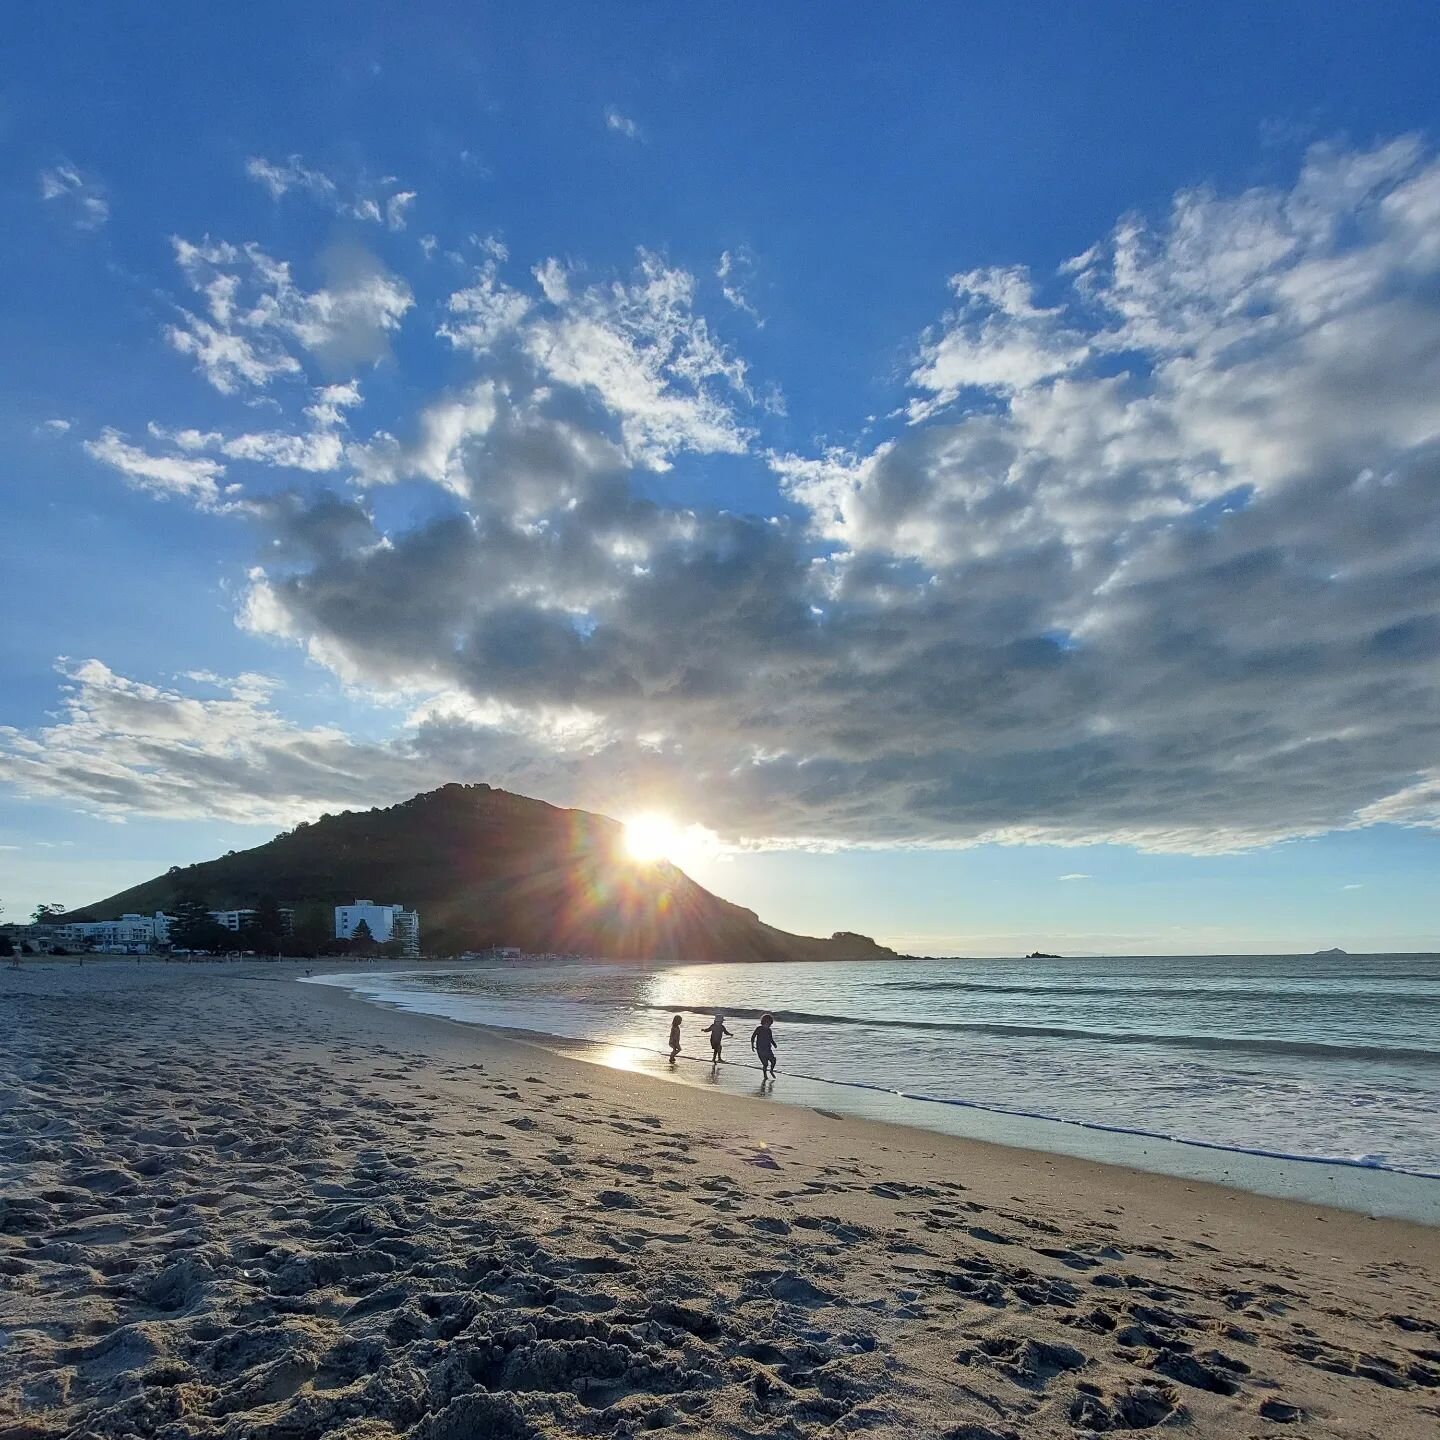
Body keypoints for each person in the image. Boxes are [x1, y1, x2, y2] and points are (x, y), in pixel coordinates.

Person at [750, 1013, 779, 1078]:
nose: (769, 1025)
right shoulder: (759, 1029)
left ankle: (771, 1070)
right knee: (765, 1064)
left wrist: (774, 1044)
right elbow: (753, 1037)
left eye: (770, 1024)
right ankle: (765, 1075)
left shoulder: (769, 1030)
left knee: (773, 1060)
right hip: (760, 1049)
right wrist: (752, 1045)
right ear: (764, 1022)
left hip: (768, 1049)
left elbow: (771, 1038)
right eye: (769, 1024)